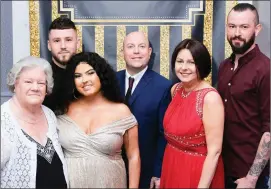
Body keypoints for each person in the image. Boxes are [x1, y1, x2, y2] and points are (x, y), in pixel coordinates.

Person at [55, 52, 140, 188]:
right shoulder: (63, 109)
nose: (84, 80)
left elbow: (133, 156)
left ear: (101, 75)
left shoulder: (121, 111)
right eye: (78, 76)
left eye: (90, 73)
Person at [217, 3, 270, 188]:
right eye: (232, 26)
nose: (237, 33)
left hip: (248, 178)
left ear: (257, 29)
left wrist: (252, 178)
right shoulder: (224, 67)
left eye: (244, 27)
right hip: (221, 170)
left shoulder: (266, 69)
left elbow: (269, 130)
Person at [160, 39, 225, 188]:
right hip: (172, 165)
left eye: (191, 62)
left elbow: (214, 151)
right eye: (180, 61)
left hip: (198, 173)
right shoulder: (175, 90)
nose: (184, 67)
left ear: (200, 65)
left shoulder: (210, 98)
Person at [1, 56, 68, 188]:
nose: (35, 88)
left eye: (41, 83)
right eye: (28, 82)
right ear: (15, 85)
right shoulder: (3, 121)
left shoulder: (49, 114)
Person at [116, 31, 172, 188]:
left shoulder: (163, 87)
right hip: (113, 168)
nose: (136, 51)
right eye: (130, 46)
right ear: (123, 52)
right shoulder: (110, 82)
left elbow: (164, 134)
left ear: (149, 52)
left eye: (141, 46)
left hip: (146, 172)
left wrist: (158, 171)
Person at [43, 17, 80, 112]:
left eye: (68, 40)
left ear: (78, 43)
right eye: (57, 41)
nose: (63, 46)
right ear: (49, 45)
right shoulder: (41, 79)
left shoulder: (91, 76)